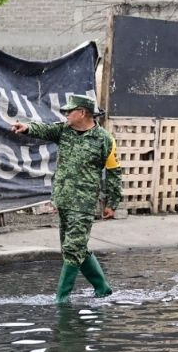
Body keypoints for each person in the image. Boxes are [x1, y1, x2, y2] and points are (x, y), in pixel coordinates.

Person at [11, 94, 122, 302]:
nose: (66, 114)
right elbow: (43, 129)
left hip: (84, 202)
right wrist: (26, 128)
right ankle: (103, 288)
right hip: (63, 199)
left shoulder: (104, 140)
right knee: (73, 248)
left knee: (73, 249)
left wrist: (112, 202)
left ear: (82, 113)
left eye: (69, 111)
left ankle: (61, 299)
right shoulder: (63, 131)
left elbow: (114, 172)